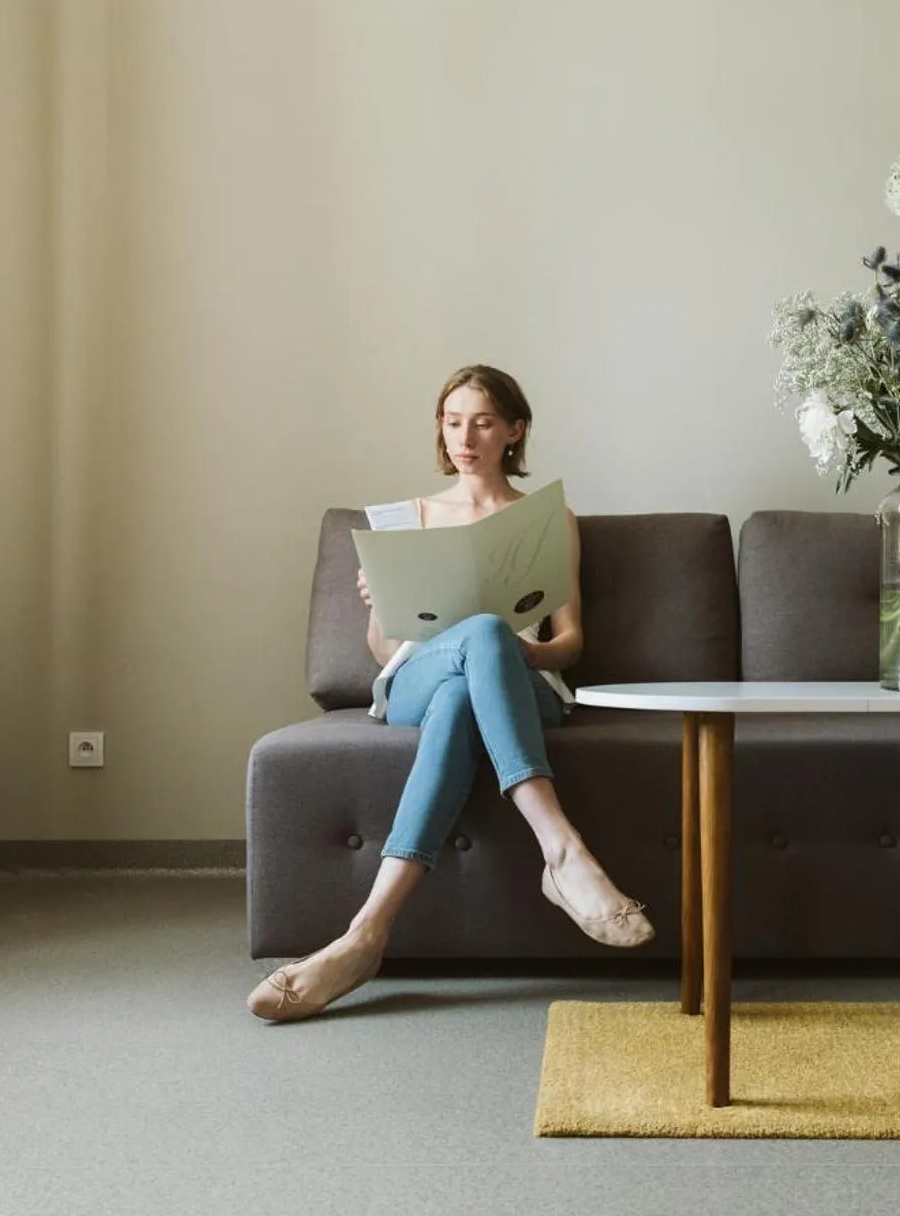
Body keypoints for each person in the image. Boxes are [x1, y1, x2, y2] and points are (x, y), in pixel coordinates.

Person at [248, 365, 654, 1022]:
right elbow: (386, 652)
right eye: (453, 419)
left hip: (521, 681)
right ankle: (562, 852)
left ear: (514, 431)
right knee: (472, 651)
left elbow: (570, 641)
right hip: (418, 674)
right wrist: (380, 606)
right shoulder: (408, 518)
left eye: (484, 421)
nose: (465, 435)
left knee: (480, 663)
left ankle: (364, 936)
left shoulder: (550, 519)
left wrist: (522, 652)